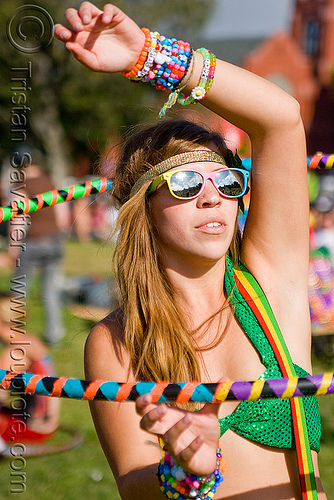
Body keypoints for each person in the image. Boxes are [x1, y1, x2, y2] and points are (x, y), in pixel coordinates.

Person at [54, 3, 326, 499]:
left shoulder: (269, 284)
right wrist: (188, 470)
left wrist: (149, 56)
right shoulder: (119, 340)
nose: (212, 195)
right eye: (184, 183)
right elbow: (135, 483)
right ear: (145, 211)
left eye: (226, 180)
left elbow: (282, 119)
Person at [0, 294, 60, 449]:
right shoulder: (30, 342)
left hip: (33, 425)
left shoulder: (15, 354)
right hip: (43, 421)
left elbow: (0, 395)